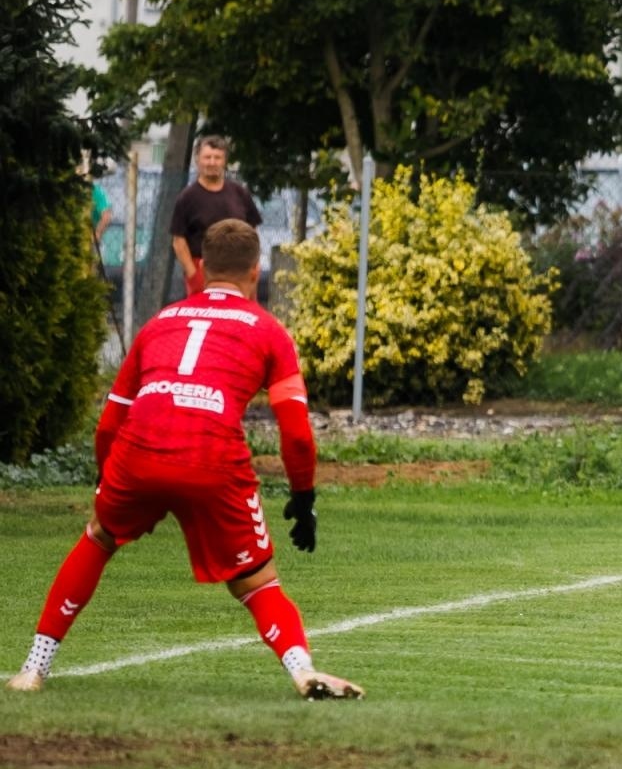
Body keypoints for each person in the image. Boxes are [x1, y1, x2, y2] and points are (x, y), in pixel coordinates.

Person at [6, 219, 361, 701]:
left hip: (139, 451)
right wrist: (303, 497)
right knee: (256, 583)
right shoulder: (270, 330)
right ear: (256, 271)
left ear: (200, 267)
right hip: (212, 458)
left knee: (99, 537)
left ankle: (33, 668)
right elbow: (296, 434)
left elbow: (109, 423)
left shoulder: (161, 321)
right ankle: (302, 671)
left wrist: (104, 484)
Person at [170, 135, 262, 297]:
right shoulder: (187, 198)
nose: (212, 162)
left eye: (217, 157)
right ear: (198, 160)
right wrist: (193, 275)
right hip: (204, 271)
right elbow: (179, 242)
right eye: (207, 157)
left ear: (224, 161)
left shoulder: (240, 193)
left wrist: (253, 266)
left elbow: (252, 232)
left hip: (240, 270)